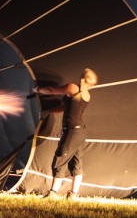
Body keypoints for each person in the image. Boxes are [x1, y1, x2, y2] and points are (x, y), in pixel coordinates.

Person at [35, 68, 98, 199]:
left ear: (82, 78)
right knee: (76, 163)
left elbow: (52, 90)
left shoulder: (73, 88)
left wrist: (37, 89)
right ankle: (73, 195)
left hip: (72, 132)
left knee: (59, 159)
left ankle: (53, 193)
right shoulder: (86, 94)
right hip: (80, 131)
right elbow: (65, 107)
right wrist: (49, 111)